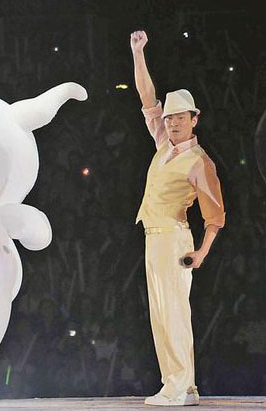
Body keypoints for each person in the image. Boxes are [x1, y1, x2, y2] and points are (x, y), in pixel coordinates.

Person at [130, 30, 225, 406]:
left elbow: (215, 216)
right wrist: (138, 54)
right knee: (161, 314)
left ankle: (179, 386)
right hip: (153, 236)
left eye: (179, 118)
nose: (171, 123)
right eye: (169, 118)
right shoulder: (163, 145)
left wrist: (201, 252)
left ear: (194, 119)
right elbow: (146, 99)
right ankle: (183, 386)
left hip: (174, 238)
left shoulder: (199, 161)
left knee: (172, 313)